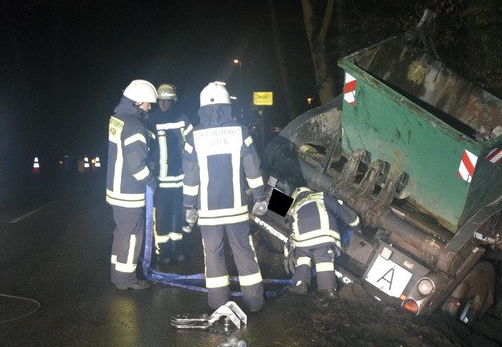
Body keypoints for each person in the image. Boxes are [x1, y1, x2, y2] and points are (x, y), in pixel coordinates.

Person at [182, 81, 270, 312]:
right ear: (226, 105)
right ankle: (255, 302)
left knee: (213, 255)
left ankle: (218, 304)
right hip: (236, 210)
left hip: (208, 212)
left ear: (202, 107)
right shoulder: (240, 131)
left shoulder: (193, 136)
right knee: (243, 252)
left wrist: (189, 205)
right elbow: (253, 167)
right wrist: (260, 198)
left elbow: (190, 177)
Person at [106, 79, 159, 290]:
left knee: (121, 233)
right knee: (132, 235)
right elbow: (137, 165)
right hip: (129, 191)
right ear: (137, 102)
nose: (150, 106)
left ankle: (117, 274)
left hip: (116, 188)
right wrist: (151, 181)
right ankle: (125, 279)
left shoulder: (118, 119)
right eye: (147, 103)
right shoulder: (135, 125)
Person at [285, 187, 360, 299]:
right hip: (324, 236)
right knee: (324, 260)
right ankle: (329, 290)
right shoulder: (322, 197)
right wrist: (356, 224)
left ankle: (301, 284)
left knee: (302, 258)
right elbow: (341, 210)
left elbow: (291, 229)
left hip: (303, 240)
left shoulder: (294, 208)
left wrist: (289, 252)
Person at [150, 83, 193, 265]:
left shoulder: (183, 119)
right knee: (162, 217)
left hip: (180, 179)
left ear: (173, 101)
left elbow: (192, 144)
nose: (163, 104)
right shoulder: (152, 120)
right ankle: (163, 251)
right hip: (160, 180)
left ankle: (177, 248)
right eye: (161, 101)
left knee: (178, 216)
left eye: (167, 101)